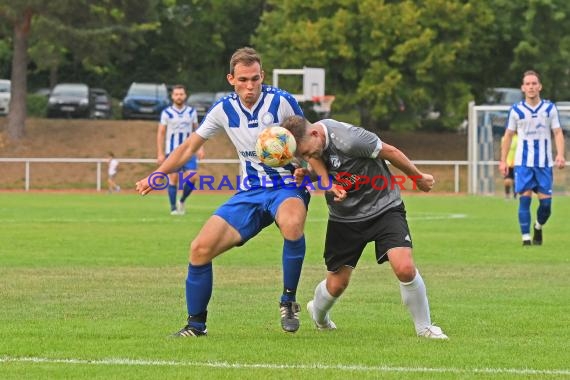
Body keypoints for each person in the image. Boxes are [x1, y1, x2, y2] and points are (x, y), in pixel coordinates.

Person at [136, 47, 309, 337]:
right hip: (249, 193)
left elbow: (310, 139)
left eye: (255, 79)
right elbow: (189, 147)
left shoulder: (282, 102)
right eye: (243, 80)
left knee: (292, 224)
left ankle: (287, 300)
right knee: (199, 249)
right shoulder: (222, 109)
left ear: (262, 76)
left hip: (286, 186)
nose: (250, 86)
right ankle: (196, 326)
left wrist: (314, 171)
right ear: (231, 79)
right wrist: (158, 174)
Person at [281, 115, 448, 339]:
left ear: (314, 134)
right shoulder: (313, 145)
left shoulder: (351, 140)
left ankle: (424, 327)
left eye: (307, 153)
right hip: (345, 218)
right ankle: (319, 315)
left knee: (405, 267)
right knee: (337, 284)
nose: (307, 158)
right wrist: (311, 176)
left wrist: (417, 177)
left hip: (385, 207)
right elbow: (322, 166)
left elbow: (391, 152)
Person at [499, 70, 566, 246]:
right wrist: (503, 160)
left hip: (544, 164)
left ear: (540, 86)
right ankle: (526, 238)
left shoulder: (549, 109)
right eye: (527, 84)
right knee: (525, 198)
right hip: (523, 163)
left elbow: (558, 132)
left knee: (546, 207)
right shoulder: (516, 110)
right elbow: (508, 135)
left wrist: (560, 154)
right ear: (523, 88)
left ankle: (538, 226)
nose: (531, 87)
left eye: (534, 83)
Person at [157, 85, 204, 215]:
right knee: (173, 179)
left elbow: (198, 131)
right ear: (172, 96)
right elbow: (161, 133)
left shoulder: (191, 112)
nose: (179, 96)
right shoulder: (166, 113)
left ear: (185, 95)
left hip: (189, 151)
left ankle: (182, 200)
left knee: (193, 177)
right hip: (171, 151)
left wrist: (200, 147)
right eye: (176, 94)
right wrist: (160, 153)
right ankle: (173, 208)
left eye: (181, 94)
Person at [501, 133, 518, 199]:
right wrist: (503, 161)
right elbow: (503, 150)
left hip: (516, 163)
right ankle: (507, 194)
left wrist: (515, 160)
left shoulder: (518, 138)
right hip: (507, 163)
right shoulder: (503, 138)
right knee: (507, 181)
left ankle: (515, 195)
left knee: (515, 180)